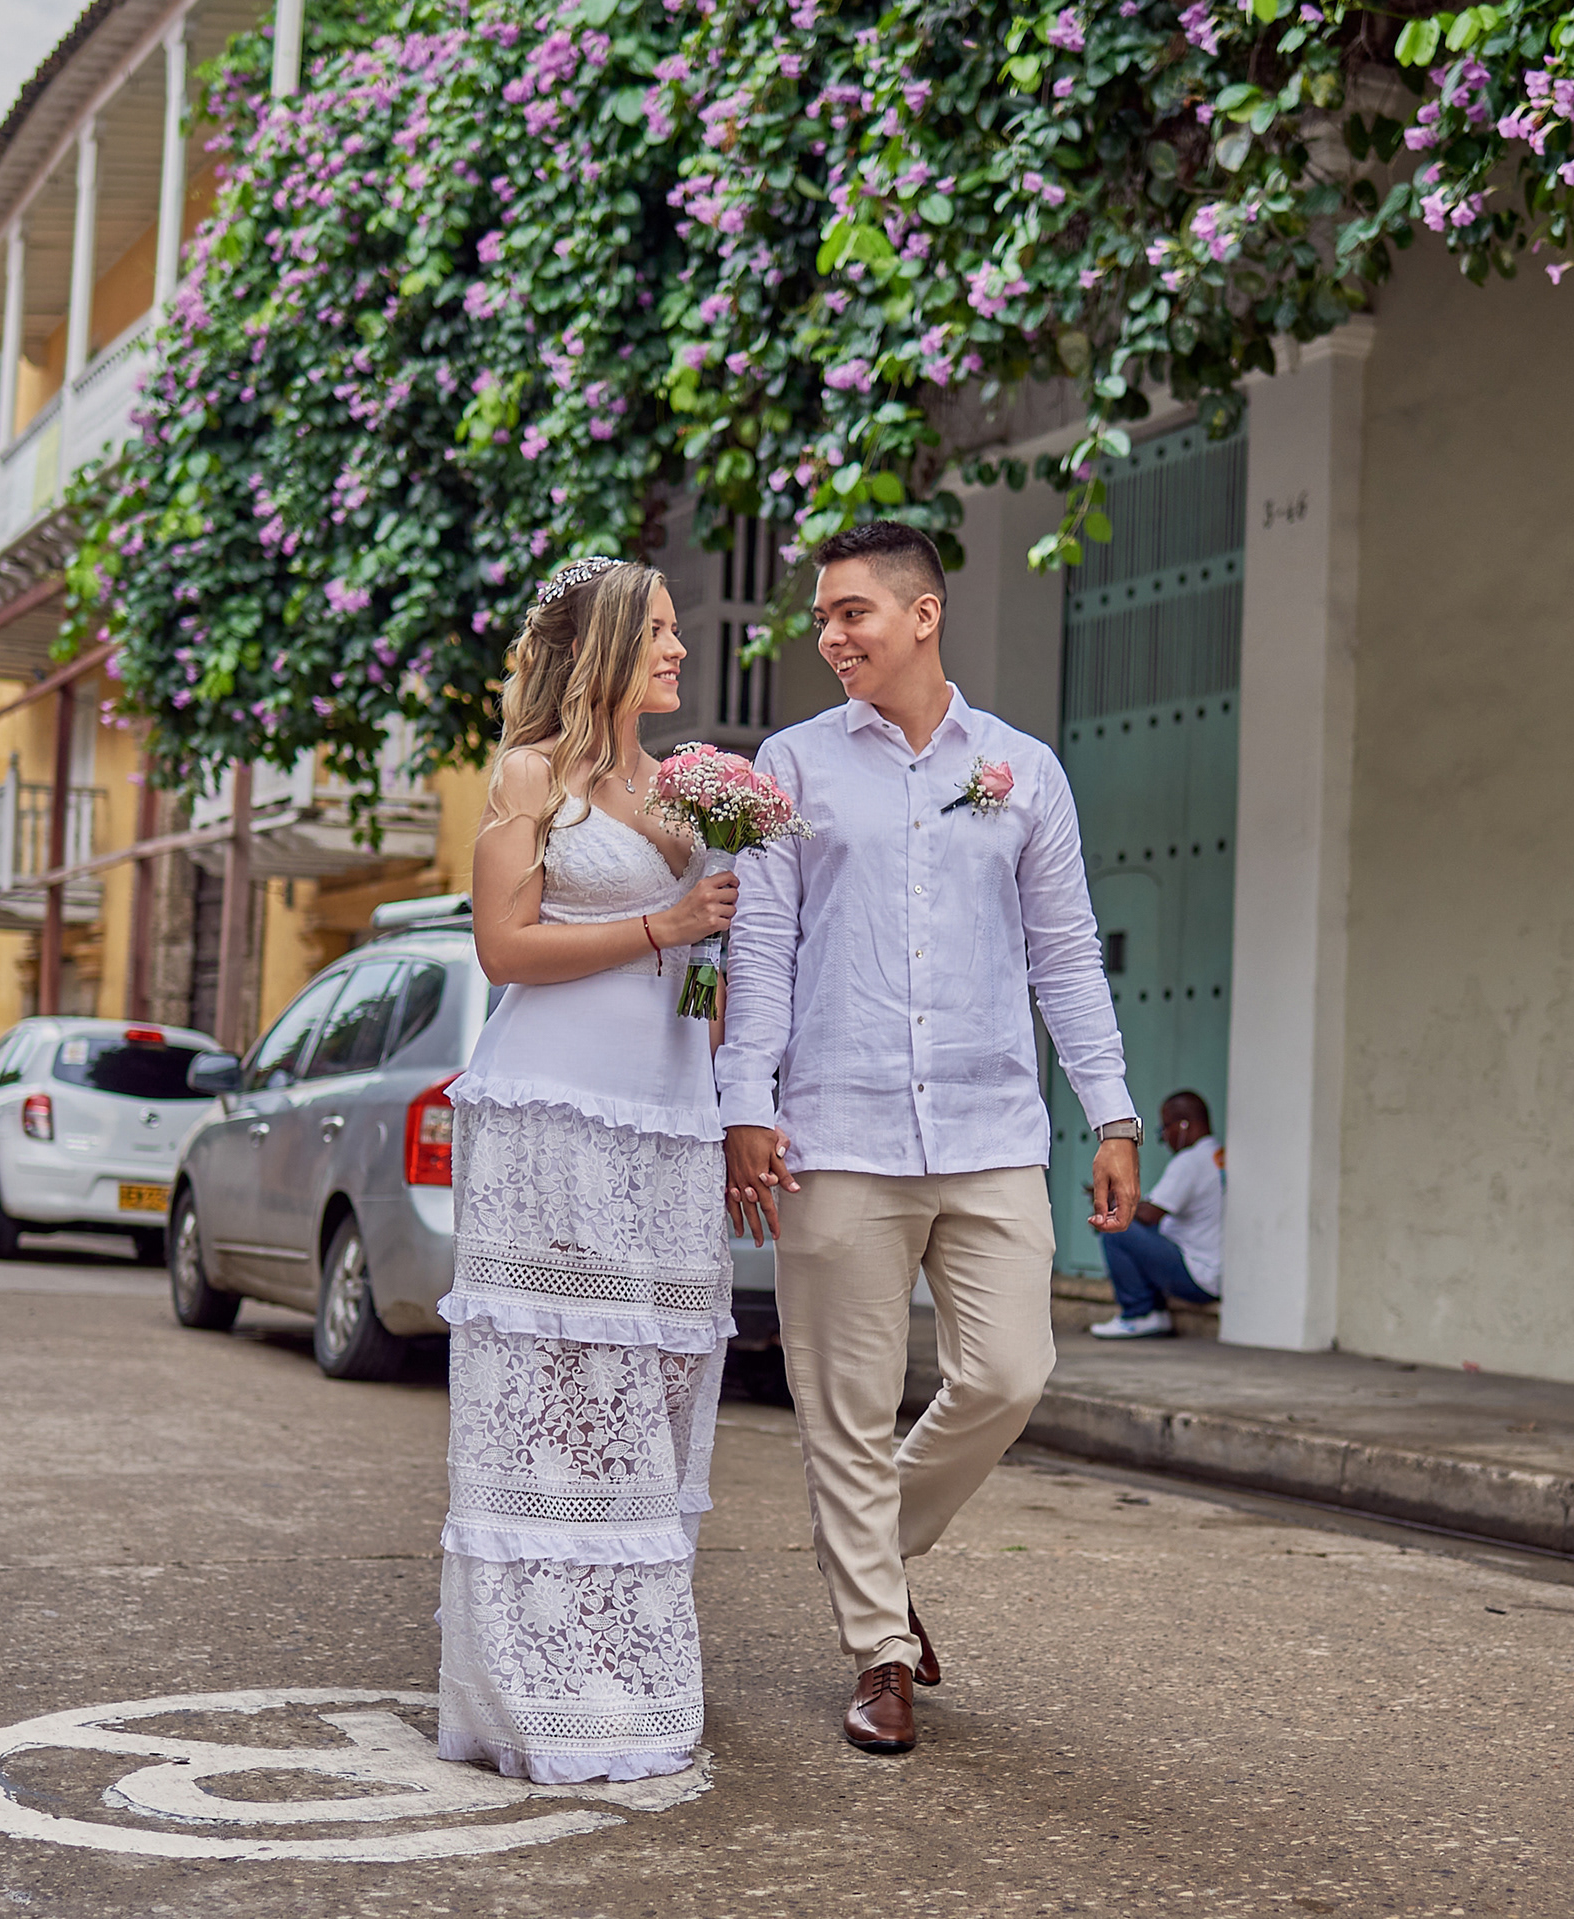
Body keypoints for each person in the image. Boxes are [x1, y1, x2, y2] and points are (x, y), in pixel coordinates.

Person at [718, 520, 1141, 1757]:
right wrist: (747, 1099)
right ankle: (880, 1651)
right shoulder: (792, 765)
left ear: (923, 613)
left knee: (1010, 1373)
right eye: (822, 616)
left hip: (989, 1121)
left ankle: (867, 1553)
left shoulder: (1023, 770)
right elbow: (762, 944)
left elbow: (1066, 952)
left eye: (851, 611)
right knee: (844, 1406)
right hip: (838, 1127)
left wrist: (1112, 1111)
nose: (830, 635)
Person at [437, 556, 740, 1784]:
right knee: (555, 1399)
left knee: (651, 1395)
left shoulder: (683, 789)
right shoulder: (530, 774)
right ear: (606, 646)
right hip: (554, 1116)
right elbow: (505, 948)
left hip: (668, 1122)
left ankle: (622, 1667)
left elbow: (703, 973)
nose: (678, 647)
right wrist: (665, 923)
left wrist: (728, 1082)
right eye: (659, 630)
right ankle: (537, 1686)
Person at [1090, 1091, 1225, 1339]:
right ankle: (1152, 1312)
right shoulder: (1218, 1156)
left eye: (1165, 1129)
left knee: (1118, 1229)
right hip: (1216, 1273)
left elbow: (1150, 1214)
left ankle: (1140, 1313)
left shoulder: (1189, 1161)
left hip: (1197, 1275)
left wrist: (1114, 1202)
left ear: (1183, 1126)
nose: (1165, 1138)